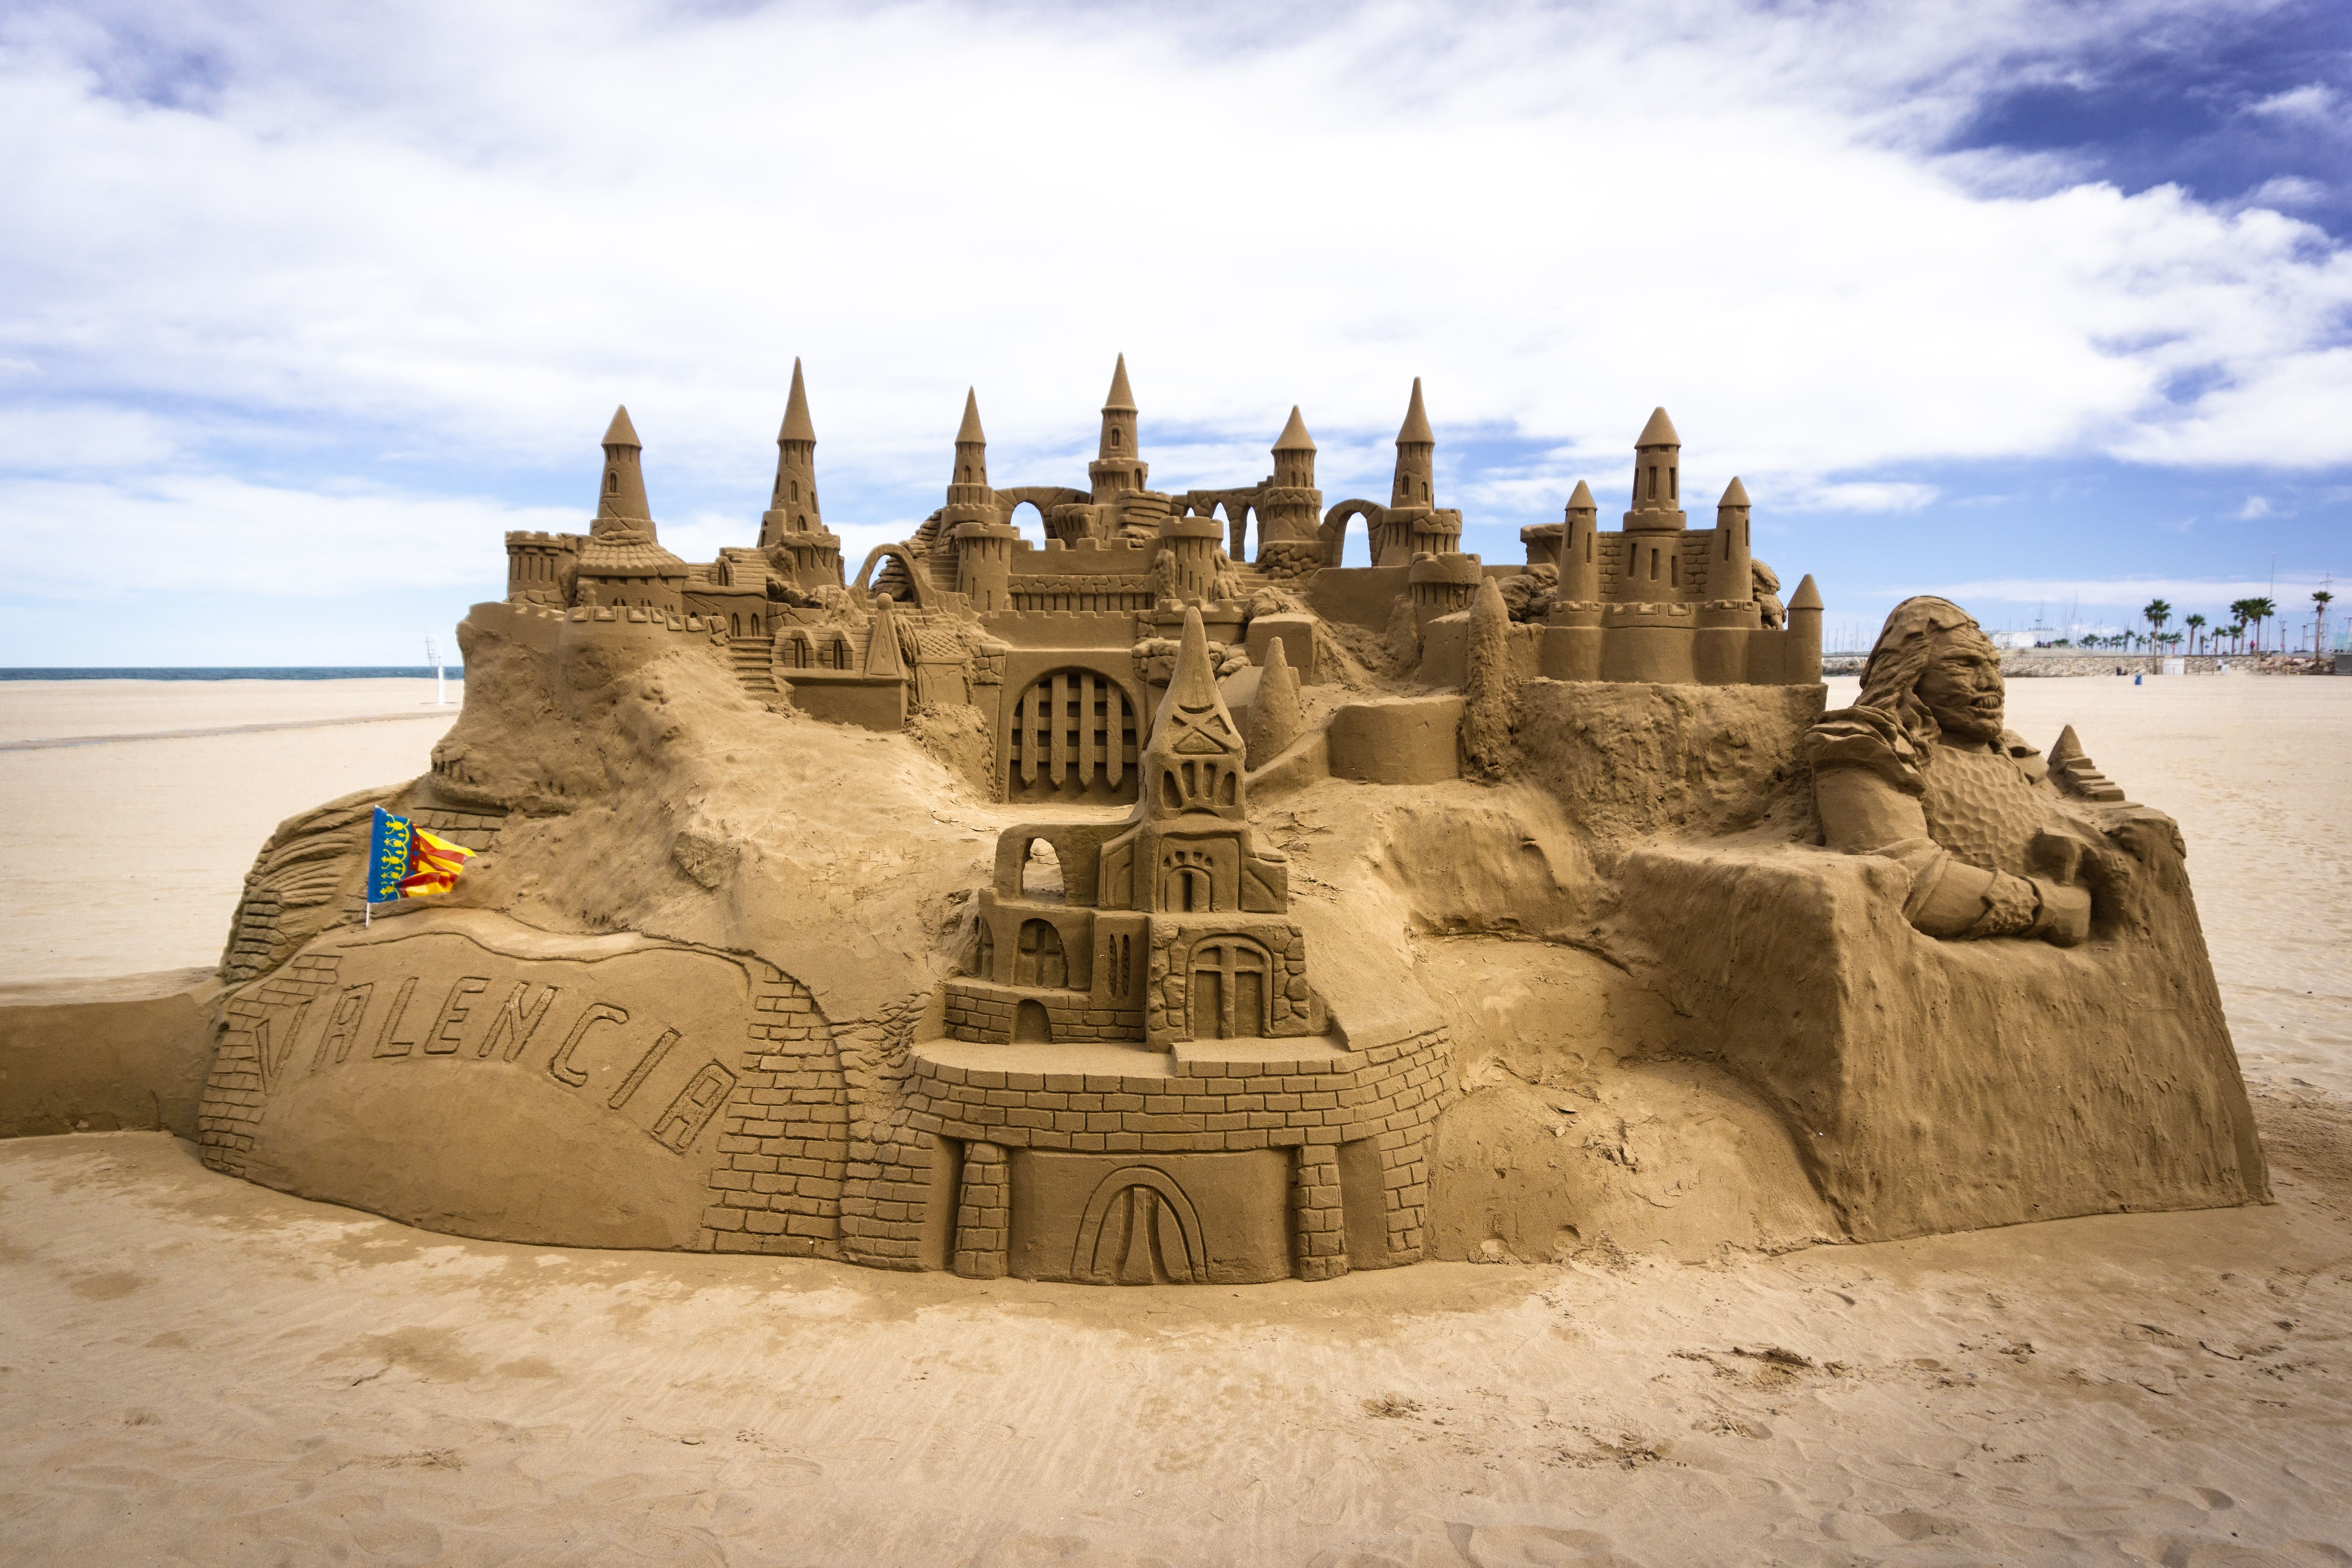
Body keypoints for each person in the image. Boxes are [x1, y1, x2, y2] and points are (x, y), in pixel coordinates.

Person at [1805, 597, 2101, 944]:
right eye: (1966, 664)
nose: (1992, 681)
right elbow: (1905, 881)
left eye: (1995, 665)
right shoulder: (1865, 746)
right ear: (1910, 675)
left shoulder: (2011, 751)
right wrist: (2044, 907)